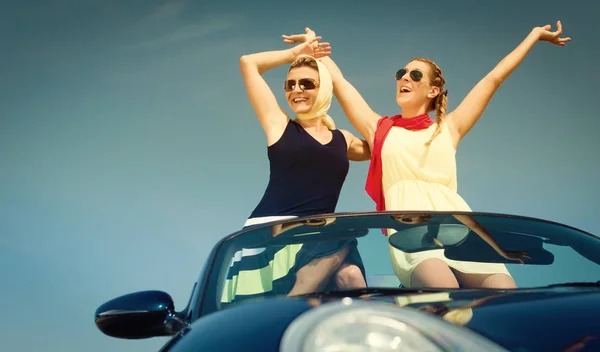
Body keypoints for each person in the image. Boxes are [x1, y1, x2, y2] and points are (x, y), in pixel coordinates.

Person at [282, 23, 570, 289]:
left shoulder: (450, 128)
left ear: (433, 89)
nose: (404, 78)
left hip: (463, 231)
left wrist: (533, 36)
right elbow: (341, 83)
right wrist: (312, 48)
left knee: (507, 298)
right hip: (413, 236)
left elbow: (493, 79)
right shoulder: (379, 129)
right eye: (401, 74)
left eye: (415, 75)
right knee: (445, 294)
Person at [221, 36, 369, 305]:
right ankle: (293, 306)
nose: (296, 90)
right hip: (274, 231)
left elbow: (381, 142)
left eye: (307, 83)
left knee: (352, 277)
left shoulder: (343, 139)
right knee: (342, 238)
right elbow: (248, 63)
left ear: (324, 88)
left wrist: (328, 67)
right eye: (290, 84)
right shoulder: (279, 124)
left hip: (318, 236)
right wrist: (295, 53)